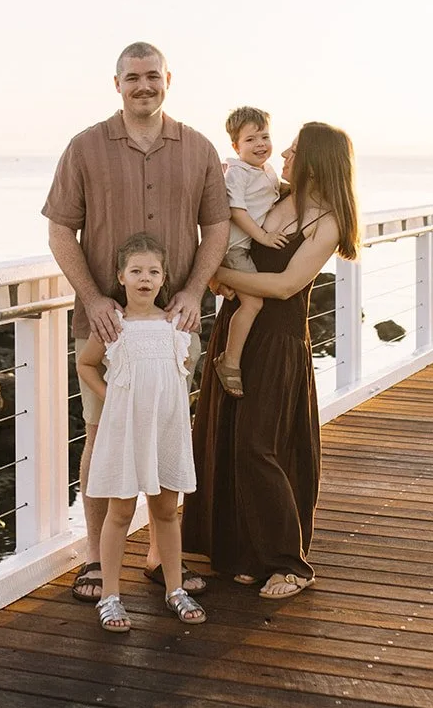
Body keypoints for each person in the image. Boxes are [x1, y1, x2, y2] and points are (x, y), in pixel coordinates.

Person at [42, 41, 230, 604]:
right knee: (102, 437)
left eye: (152, 76)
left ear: (168, 79)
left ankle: (156, 555)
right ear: (116, 83)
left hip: (175, 326)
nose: (142, 86)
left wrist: (195, 290)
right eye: (132, 78)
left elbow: (217, 226)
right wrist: (93, 297)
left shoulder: (196, 148)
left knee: (166, 433)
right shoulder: (84, 147)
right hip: (106, 326)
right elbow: (59, 231)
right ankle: (97, 561)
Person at [183, 121, 360, 599]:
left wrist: (213, 274)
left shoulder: (328, 222)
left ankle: (290, 563)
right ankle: (246, 554)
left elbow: (285, 286)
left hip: (277, 341)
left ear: (318, 160)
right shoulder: (276, 197)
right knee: (224, 440)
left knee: (260, 446)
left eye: (296, 149)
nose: (282, 151)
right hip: (236, 329)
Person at [76, 234, 206, 631]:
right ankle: (112, 597)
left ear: (164, 278)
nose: (145, 279)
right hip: (127, 430)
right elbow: (86, 366)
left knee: (166, 510)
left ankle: (174, 589)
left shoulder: (175, 325)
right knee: (121, 511)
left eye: (153, 272)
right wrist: (114, 397)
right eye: (136, 271)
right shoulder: (113, 326)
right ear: (121, 277)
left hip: (165, 429)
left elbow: (178, 371)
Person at [213, 106, 284, 397]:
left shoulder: (267, 170)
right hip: (235, 247)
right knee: (253, 304)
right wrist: (264, 237)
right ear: (235, 146)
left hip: (246, 246)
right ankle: (229, 362)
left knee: (246, 299)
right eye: (251, 139)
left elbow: (278, 192)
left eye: (265, 137)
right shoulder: (237, 172)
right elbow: (237, 211)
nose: (260, 145)